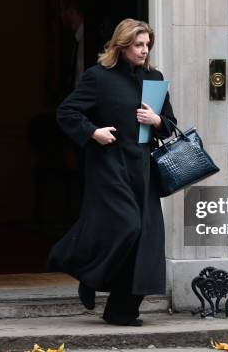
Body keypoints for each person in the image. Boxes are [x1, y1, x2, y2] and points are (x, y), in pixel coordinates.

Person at [47, 18, 177, 326]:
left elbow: (170, 125)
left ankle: (122, 310)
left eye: (147, 45)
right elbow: (67, 111)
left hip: (143, 169)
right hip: (109, 165)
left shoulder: (154, 79)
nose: (144, 50)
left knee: (146, 239)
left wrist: (156, 120)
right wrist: (93, 132)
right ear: (122, 45)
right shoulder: (99, 78)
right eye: (138, 45)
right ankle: (89, 276)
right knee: (126, 226)